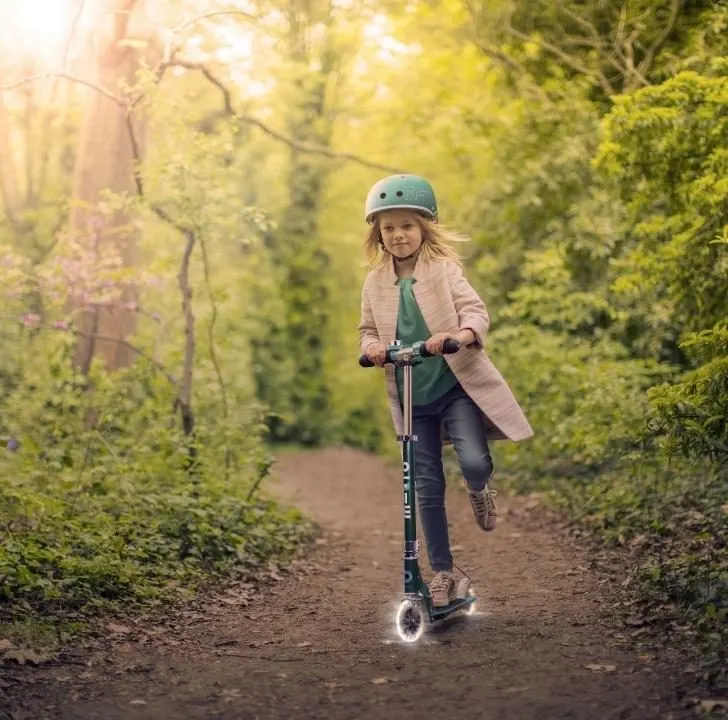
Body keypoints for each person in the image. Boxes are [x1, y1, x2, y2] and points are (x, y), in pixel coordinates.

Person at [358, 174, 533, 608]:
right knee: (426, 487)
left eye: (407, 226)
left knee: (473, 461)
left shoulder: (444, 271)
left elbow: (475, 311)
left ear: (424, 228)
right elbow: (365, 331)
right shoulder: (374, 282)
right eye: (389, 228)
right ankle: (442, 574)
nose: (398, 235)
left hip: (455, 387)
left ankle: (480, 489)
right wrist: (373, 348)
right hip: (412, 396)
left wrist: (460, 333)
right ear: (378, 234)